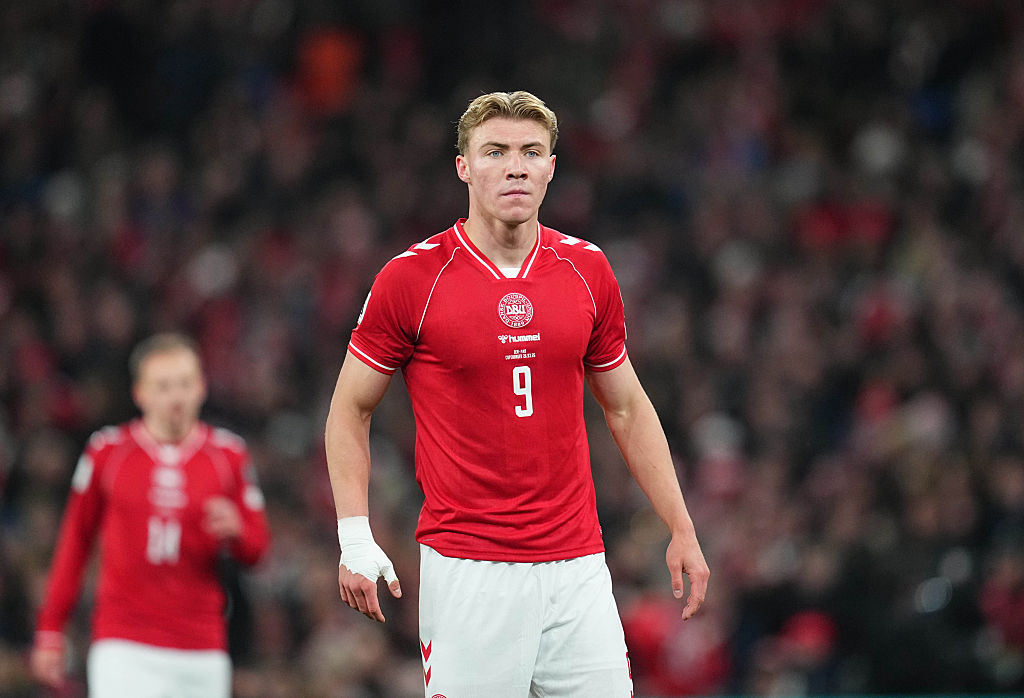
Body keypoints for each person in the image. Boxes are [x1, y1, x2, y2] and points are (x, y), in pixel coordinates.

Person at [325, 90, 710, 697]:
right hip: (469, 569)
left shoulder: (588, 270)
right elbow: (350, 409)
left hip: (578, 564)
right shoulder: (411, 279)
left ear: (552, 167)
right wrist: (355, 535)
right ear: (463, 166)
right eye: (496, 151)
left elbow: (627, 406)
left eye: (532, 152)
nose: (515, 166)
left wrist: (681, 526)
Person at [30, 333, 271, 698]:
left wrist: (237, 531)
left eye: (185, 384)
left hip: (201, 647)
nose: (176, 397)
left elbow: (257, 551)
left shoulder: (229, 456)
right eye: (163, 386)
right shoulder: (107, 452)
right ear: (139, 392)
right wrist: (51, 628)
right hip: (124, 644)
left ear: (202, 387)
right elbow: (75, 543)